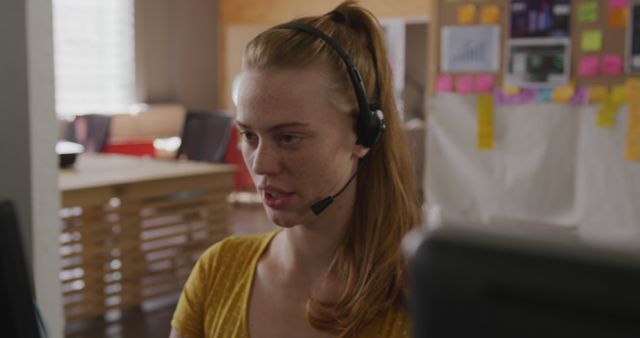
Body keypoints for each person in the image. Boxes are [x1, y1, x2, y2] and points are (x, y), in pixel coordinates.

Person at [170, 1, 420, 337]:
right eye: (249, 135)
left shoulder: (421, 299)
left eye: (288, 138)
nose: (260, 164)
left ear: (363, 134)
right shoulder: (218, 270)